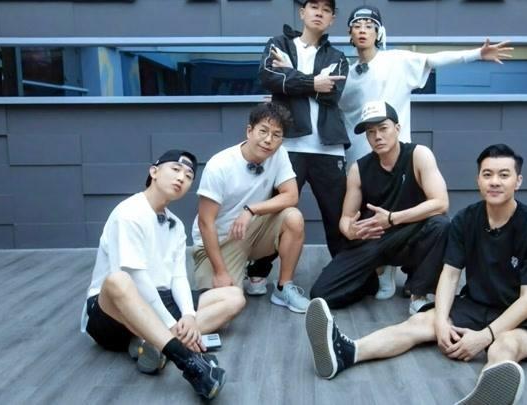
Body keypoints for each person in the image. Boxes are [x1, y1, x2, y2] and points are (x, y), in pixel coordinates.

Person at [305, 144, 527, 405]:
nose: (494, 181)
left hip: (522, 317)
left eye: (504, 175)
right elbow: (449, 276)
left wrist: (484, 337)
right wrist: (441, 322)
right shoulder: (466, 219)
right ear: (478, 180)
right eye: (487, 174)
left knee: (504, 346)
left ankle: (490, 394)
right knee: (417, 323)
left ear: (518, 181)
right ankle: (346, 352)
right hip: (475, 305)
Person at [340, 6, 514, 300]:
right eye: (357, 25)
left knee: (418, 220)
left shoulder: (398, 60)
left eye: (369, 25)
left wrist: (476, 54)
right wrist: (283, 94)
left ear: (379, 32)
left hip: (400, 161)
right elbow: (321, 98)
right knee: (370, 217)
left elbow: (435, 59)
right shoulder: (345, 73)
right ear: (350, 33)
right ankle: (383, 274)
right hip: (361, 158)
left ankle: (419, 281)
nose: (363, 30)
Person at [81, 150, 244, 401]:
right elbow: (135, 280)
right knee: (118, 280)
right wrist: (170, 323)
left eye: (188, 176)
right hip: (113, 311)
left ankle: (151, 343)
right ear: (154, 172)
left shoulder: (175, 224)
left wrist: (188, 315)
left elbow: (178, 276)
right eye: (175, 170)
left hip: (158, 301)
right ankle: (188, 361)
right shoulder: (129, 213)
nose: (181, 178)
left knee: (234, 297)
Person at [309, 101, 451, 314]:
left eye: (383, 128)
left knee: (440, 225)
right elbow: (346, 218)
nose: (377, 136)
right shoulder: (359, 168)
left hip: (410, 231)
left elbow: (441, 203)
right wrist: (350, 230)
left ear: (397, 128)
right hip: (374, 236)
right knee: (321, 293)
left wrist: (393, 218)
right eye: (371, 132)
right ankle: (376, 275)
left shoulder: (418, 155)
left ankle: (419, 293)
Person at [252, 0, 350, 290]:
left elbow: (332, 93)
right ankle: (257, 272)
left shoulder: (337, 56)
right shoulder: (279, 44)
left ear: (332, 19)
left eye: (326, 9)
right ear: (302, 12)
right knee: (274, 209)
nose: (319, 12)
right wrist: (312, 83)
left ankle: (346, 276)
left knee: (336, 215)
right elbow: (269, 78)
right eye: (314, 6)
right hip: (288, 146)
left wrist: (291, 75)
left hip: (328, 149)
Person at [191, 102, 309, 314]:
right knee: (223, 309)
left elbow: (292, 195)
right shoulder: (220, 165)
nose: (268, 140)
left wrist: (251, 210)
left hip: (252, 230)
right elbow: (205, 222)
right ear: (249, 131)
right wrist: (220, 272)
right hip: (220, 241)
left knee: (293, 218)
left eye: (276, 135)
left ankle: (283, 287)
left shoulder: (278, 154)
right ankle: (230, 271)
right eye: (263, 131)